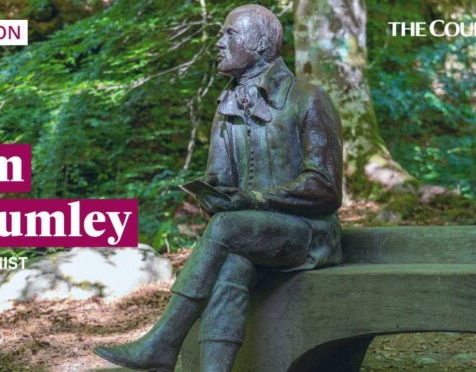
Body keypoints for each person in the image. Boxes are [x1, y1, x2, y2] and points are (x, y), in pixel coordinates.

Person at [94, 4, 343, 371]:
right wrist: (212, 197)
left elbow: (325, 187)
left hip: (309, 236)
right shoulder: (227, 102)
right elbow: (220, 181)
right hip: (249, 236)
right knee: (231, 269)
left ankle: (162, 341)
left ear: (259, 44)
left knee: (228, 229)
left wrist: (254, 200)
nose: (218, 42)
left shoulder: (307, 98)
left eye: (229, 34)